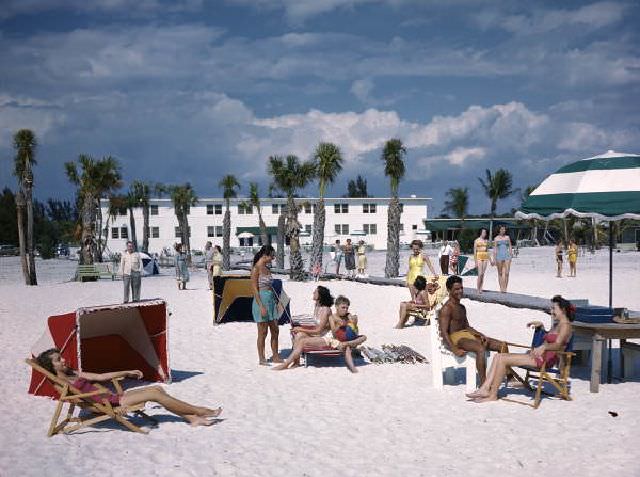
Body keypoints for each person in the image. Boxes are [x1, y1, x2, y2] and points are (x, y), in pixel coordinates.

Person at [36, 348, 222, 427]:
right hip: (111, 402)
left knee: (157, 390)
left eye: (61, 356)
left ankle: (191, 418)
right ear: (52, 367)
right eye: (58, 360)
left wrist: (127, 371)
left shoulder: (72, 373)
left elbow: (100, 376)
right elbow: (76, 399)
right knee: (156, 395)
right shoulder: (61, 384)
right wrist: (107, 409)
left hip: (111, 397)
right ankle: (201, 411)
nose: (63, 360)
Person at [466, 295, 574, 402]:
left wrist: (544, 347)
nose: (551, 311)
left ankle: (492, 394)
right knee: (498, 356)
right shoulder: (558, 324)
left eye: (554, 308)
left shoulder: (565, 325)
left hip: (543, 360)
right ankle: (485, 388)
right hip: (538, 356)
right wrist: (541, 327)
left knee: (502, 359)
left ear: (563, 310)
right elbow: (551, 338)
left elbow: (558, 345)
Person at [439, 275, 506, 384]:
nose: (460, 291)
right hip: (456, 338)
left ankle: (510, 377)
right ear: (449, 290)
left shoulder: (461, 307)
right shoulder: (447, 309)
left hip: (466, 334)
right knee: (480, 349)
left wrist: (480, 334)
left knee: (502, 346)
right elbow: (444, 332)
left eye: (461, 288)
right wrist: (454, 349)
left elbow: (466, 326)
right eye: (456, 289)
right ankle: (484, 384)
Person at [275, 295, 366, 373]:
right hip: (330, 338)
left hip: (332, 340)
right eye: (343, 307)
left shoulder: (348, 316)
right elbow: (334, 332)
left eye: (346, 308)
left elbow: (354, 321)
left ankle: (285, 365)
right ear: (337, 307)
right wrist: (339, 325)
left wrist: (353, 320)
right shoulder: (333, 317)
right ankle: (293, 362)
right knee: (300, 336)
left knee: (364, 337)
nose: (345, 310)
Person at [251, 245, 282, 366]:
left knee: (275, 330)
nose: (273, 258)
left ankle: (275, 356)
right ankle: (262, 358)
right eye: (272, 256)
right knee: (262, 332)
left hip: (271, 300)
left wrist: (277, 301)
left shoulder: (267, 268)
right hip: (261, 300)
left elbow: (271, 287)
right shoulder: (256, 269)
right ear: (265, 255)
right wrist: (261, 306)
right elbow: (254, 289)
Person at [288, 286, 334, 368]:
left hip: (326, 338)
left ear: (320, 296)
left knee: (300, 335)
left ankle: (295, 361)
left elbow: (318, 330)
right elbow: (316, 323)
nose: (313, 293)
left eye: (315, 292)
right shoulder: (317, 306)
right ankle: (296, 362)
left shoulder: (326, 310)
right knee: (299, 335)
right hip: (319, 335)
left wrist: (301, 328)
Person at [493, 226, 513, 293]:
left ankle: (505, 288)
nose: (504, 230)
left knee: (507, 273)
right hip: (499, 256)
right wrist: (494, 258)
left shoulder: (507, 237)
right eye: (502, 229)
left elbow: (510, 245)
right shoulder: (496, 238)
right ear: (499, 230)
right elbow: (495, 249)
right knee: (500, 273)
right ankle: (501, 288)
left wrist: (510, 253)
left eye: (504, 229)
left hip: (507, 256)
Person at [473, 228, 491, 293]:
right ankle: (478, 289)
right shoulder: (476, 240)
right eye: (483, 232)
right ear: (481, 232)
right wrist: (475, 262)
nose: (485, 234)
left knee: (483, 274)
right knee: (480, 274)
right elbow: (475, 252)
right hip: (479, 256)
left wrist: (491, 260)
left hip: (485, 256)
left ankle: (481, 288)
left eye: (485, 232)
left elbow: (487, 251)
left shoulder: (486, 241)